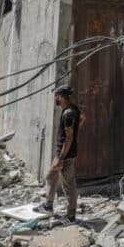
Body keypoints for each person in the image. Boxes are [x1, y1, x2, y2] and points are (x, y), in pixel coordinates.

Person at [38, 85, 84, 221]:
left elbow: (69, 137)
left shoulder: (68, 113)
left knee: (68, 184)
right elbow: (83, 119)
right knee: (51, 176)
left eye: (57, 96)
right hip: (64, 153)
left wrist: (61, 158)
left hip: (66, 155)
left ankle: (70, 215)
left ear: (61, 96)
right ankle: (48, 205)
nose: (56, 99)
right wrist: (75, 130)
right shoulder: (73, 109)